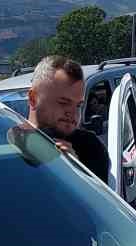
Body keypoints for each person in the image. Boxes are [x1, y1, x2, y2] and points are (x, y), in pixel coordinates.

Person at [26, 55, 111, 184]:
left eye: (78, 105)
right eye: (63, 103)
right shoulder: (6, 143)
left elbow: (100, 195)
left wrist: (76, 170)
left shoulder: (90, 147)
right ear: (33, 99)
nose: (73, 113)